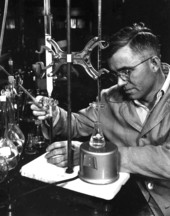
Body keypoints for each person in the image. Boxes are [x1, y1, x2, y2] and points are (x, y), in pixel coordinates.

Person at [31, 23, 170, 216]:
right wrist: (54, 114)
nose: (120, 82)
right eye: (117, 74)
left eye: (127, 71)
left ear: (154, 63)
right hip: (135, 202)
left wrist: (93, 156)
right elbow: (78, 123)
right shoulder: (112, 97)